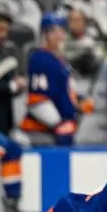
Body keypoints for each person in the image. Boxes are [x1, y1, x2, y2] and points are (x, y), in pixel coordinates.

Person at [22, 13, 94, 147]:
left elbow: (63, 91)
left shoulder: (60, 61)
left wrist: (78, 101)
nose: (60, 35)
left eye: (62, 31)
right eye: (55, 31)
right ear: (45, 35)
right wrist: (58, 123)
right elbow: (37, 99)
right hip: (42, 131)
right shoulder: (39, 59)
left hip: (61, 127)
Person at [0, 13, 26, 212]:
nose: (4, 34)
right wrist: (12, 85)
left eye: (6, 30)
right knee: (11, 149)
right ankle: (11, 201)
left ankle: (12, 201)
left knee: (12, 148)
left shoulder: (2, 52)